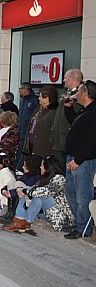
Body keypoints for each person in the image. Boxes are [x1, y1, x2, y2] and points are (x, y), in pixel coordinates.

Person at [2, 156, 74, 233]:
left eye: (42, 165)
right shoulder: (45, 178)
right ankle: (22, 221)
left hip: (62, 219)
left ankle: (21, 221)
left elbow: (46, 191)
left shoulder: (59, 178)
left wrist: (25, 191)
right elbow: (34, 188)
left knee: (38, 196)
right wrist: (21, 190)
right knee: (26, 189)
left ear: (48, 168)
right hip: (49, 213)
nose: (40, 167)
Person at [64, 80, 96, 239]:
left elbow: (91, 141)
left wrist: (78, 160)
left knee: (83, 195)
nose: (75, 93)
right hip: (73, 158)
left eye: (79, 91)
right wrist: (68, 109)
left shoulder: (93, 112)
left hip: (83, 161)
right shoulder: (84, 110)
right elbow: (74, 125)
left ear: (85, 93)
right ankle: (79, 222)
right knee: (70, 192)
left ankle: (84, 228)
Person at [50, 69, 83, 165]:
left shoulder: (79, 96)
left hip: (65, 140)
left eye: (65, 78)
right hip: (58, 139)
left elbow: (75, 119)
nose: (64, 80)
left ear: (74, 79)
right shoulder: (68, 95)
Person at [23, 86, 58, 159]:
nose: (39, 99)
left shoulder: (54, 112)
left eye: (41, 97)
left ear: (48, 98)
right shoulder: (37, 110)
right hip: (31, 144)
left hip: (44, 146)